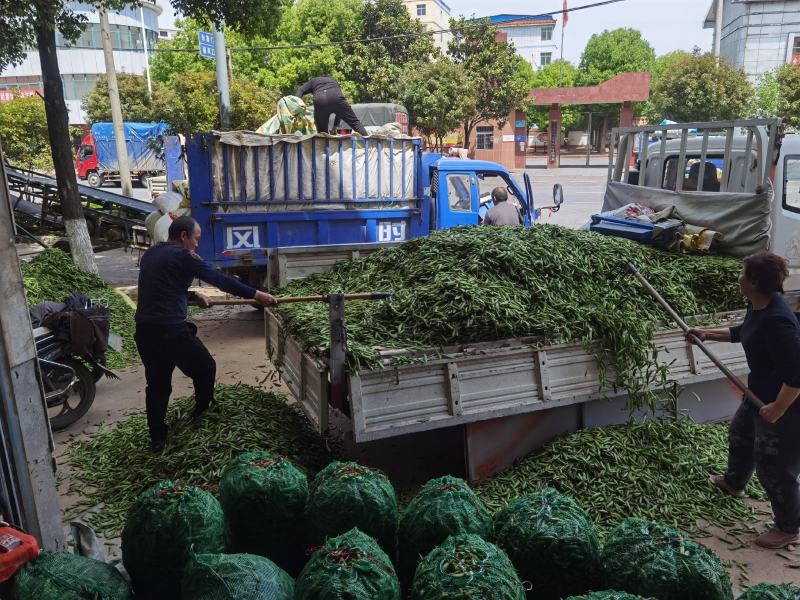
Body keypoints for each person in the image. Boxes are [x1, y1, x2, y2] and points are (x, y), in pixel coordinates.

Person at [134, 216, 277, 453]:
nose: (197, 244)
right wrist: (256, 294)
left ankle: (157, 440)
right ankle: (202, 414)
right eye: (196, 238)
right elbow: (220, 280)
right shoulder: (184, 256)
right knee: (206, 369)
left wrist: (192, 296)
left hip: (146, 332)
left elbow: (161, 286)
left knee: (158, 386)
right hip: (171, 332)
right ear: (184, 237)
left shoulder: (152, 253)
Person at [687, 252, 800, 549]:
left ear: (753, 282)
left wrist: (777, 409)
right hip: (757, 394)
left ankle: (788, 527)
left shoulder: (778, 322)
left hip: (786, 404)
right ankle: (734, 483)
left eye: (742, 273)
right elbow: (743, 332)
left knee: (773, 467)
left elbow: (797, 377)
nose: (738, 277)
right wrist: (706, 333)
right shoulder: (758, 306)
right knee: (740, 436)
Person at [295, 76, 368, 136]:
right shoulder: (334, 81)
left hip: (320, 99)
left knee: (322, 132)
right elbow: (340, 111)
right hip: (335, 96)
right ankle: (371, 144)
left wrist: (296, 104)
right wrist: (336, 125)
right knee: (355, 123)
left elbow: (300, 90)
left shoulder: (313, 81)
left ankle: (324, 151)